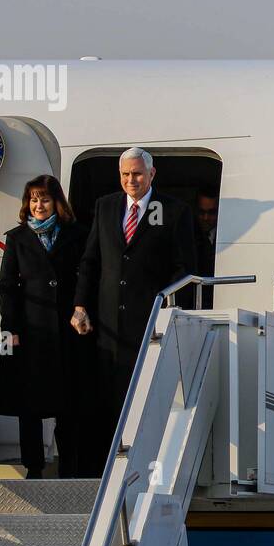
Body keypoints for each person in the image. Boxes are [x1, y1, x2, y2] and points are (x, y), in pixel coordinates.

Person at [71, 148, 196, 474]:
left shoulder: (174, 211)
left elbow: (184, 269)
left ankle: (143, 465)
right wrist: (80, 305)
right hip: (107, 324)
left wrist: (161, 305)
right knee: (107, 399)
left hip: (150, 322)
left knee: (145, 396)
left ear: (151, 175)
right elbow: (91, 261)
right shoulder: (106, 206)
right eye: (125, 175)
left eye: (137, 174)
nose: (131, 181)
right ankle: (105, 469)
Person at [0, 175, 94, 478]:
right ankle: (34, 466)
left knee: (69, 402)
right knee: (31, 404)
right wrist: (11, 328)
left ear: (56, 202)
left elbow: (86, 275)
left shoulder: (76, 234)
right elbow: (7, 286)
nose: (39, 205)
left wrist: (82, 308)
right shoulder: (17, 238)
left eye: (45, 199)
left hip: (67, 328)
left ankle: (69, 464)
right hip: (31, 329)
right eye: (34, 199)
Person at [192, 191, 218, 308]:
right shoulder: (188, 236)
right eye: (202, 212)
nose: (206, 218)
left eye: (212, 212)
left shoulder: (227, 235)